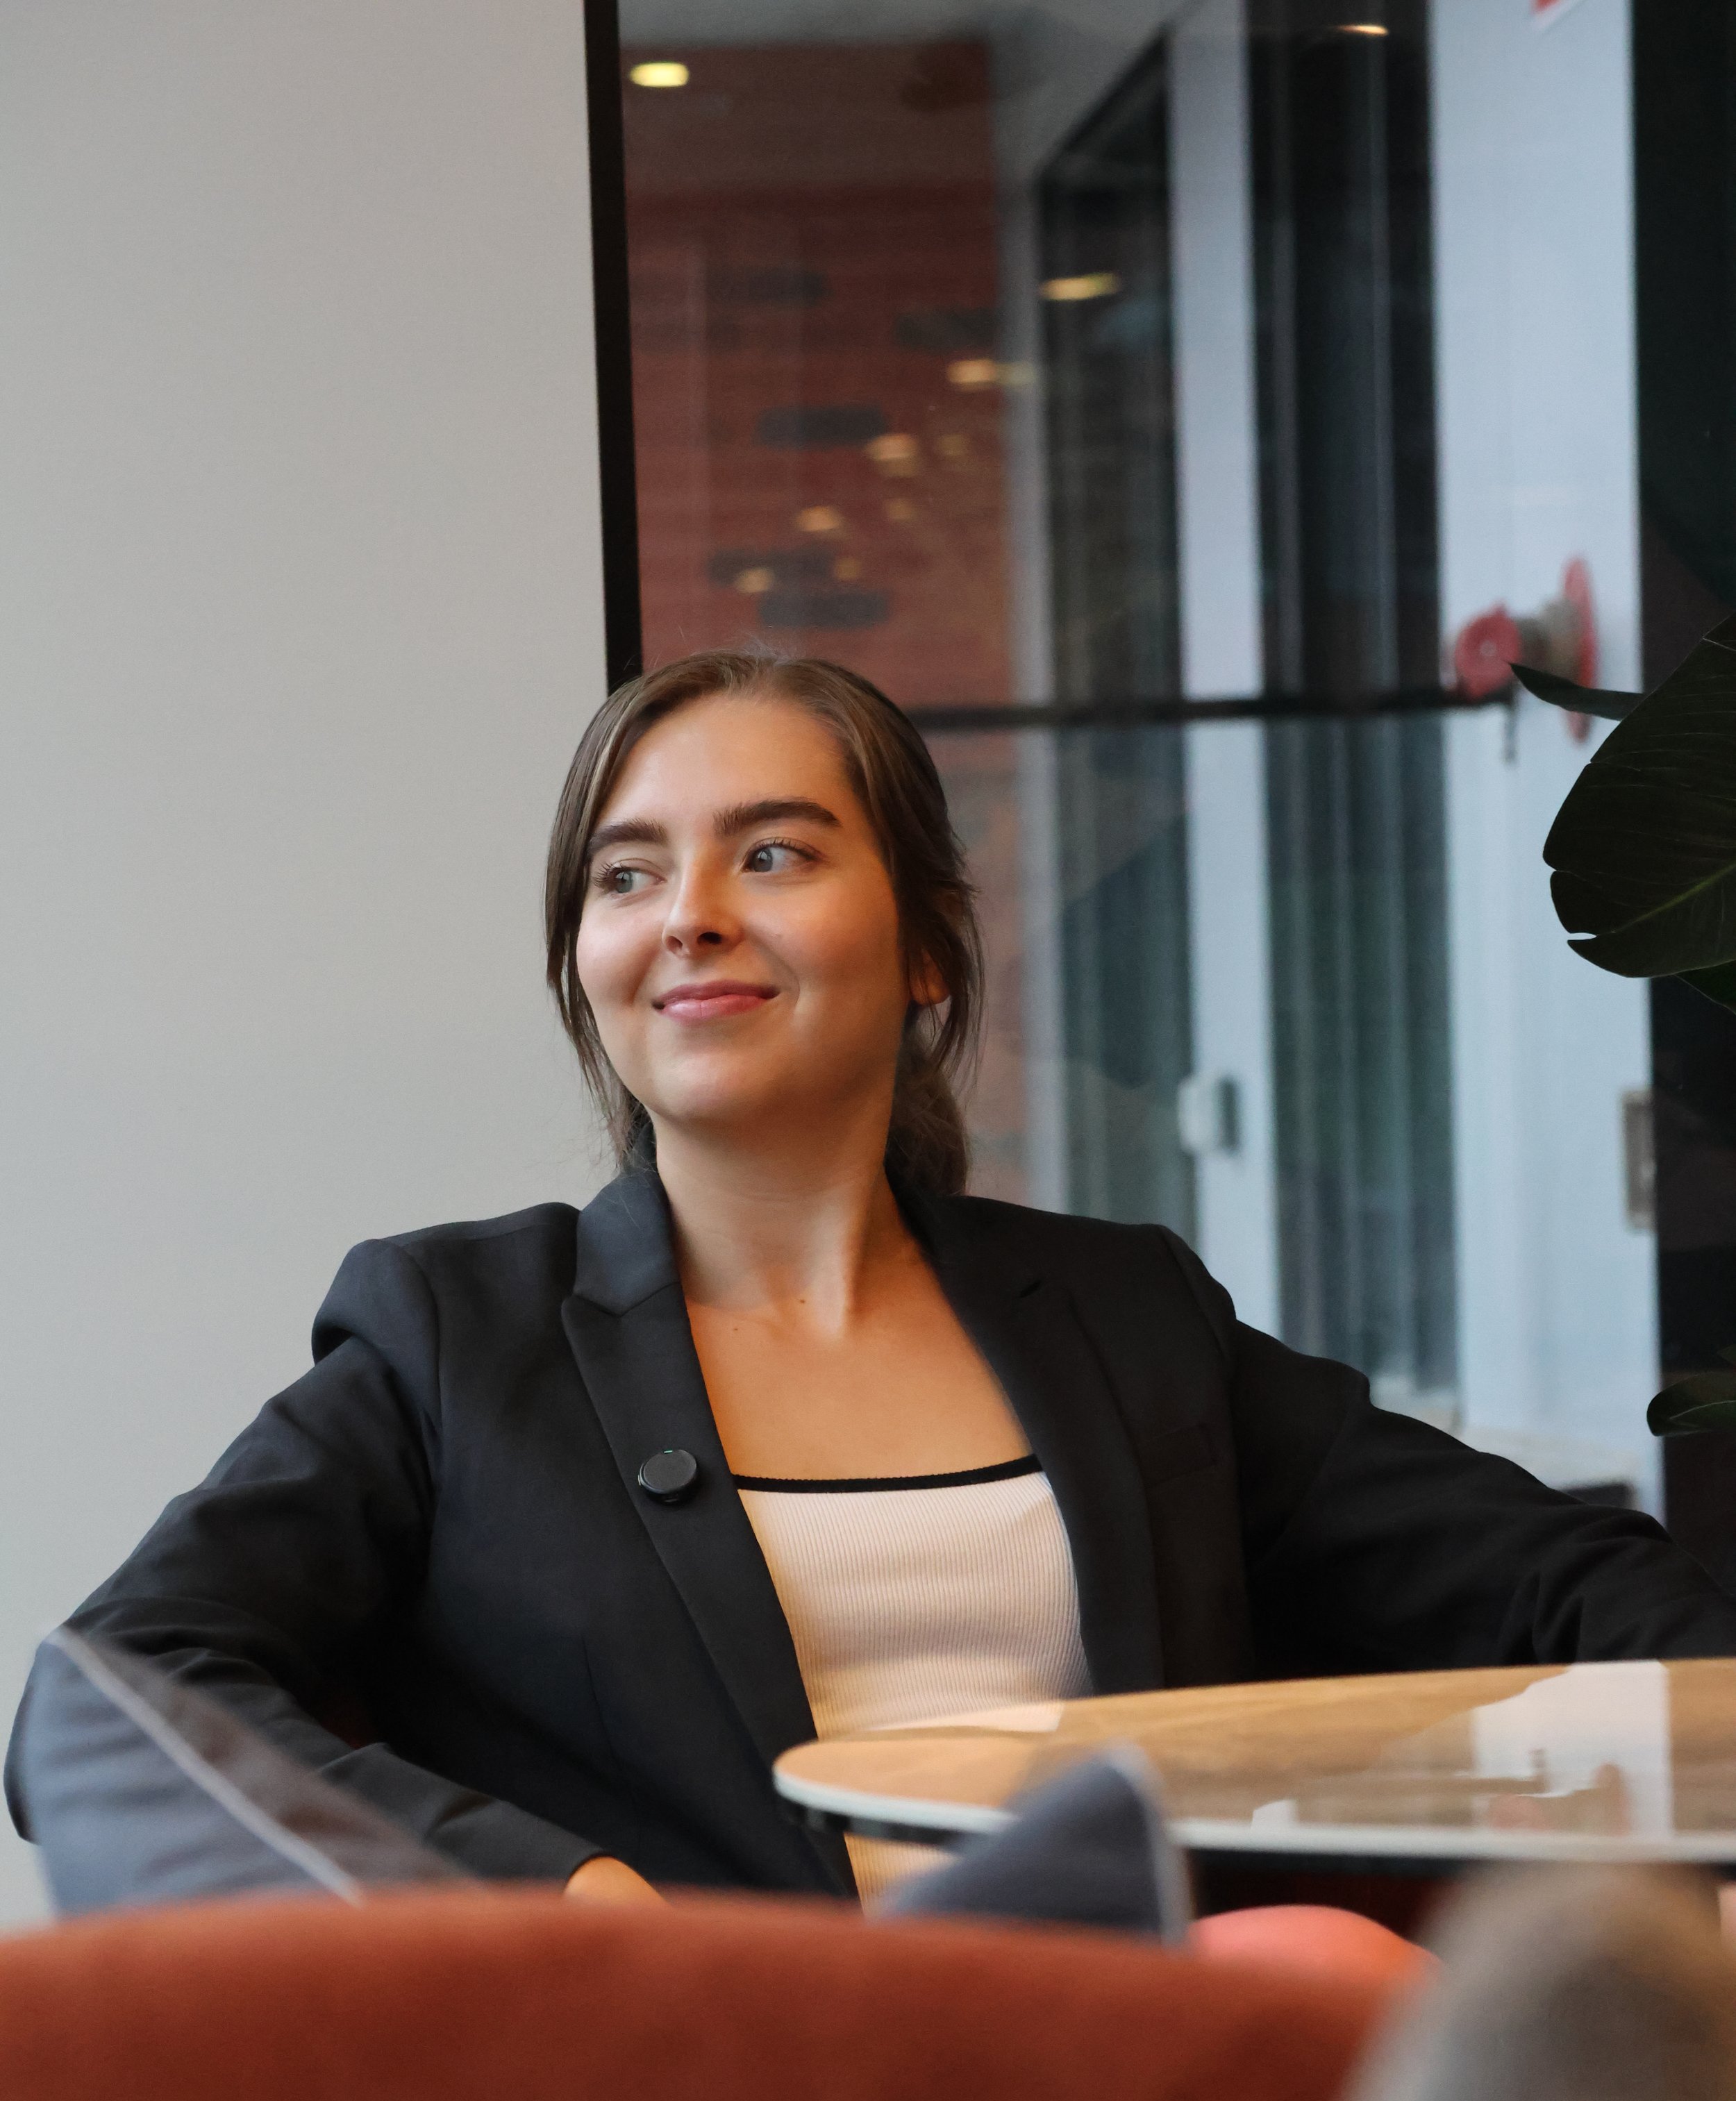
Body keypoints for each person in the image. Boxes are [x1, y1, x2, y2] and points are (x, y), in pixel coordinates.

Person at [10, 650, 1736, 1911]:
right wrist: (561, 1901)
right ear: (587, 960)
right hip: (711, 2094)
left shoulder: (1128, 1320)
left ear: (922, 945)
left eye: (768, 853)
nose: (685, 913)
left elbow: (1560, 1589)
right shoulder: (449, 1337)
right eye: (627, 873)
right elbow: (110, 1695)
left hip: (1116, 2065)